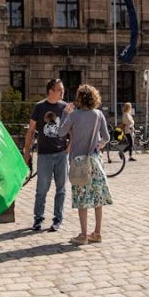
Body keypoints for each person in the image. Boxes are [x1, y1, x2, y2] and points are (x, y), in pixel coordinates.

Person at [60, 84, 113, 245]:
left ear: (80, 98)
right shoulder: (98, 114)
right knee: (97, 197)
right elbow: (107, 137)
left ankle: (83, 235)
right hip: (95, 161)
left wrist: (64, 114)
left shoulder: (74, 115)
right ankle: (97, 233)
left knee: (82, 198)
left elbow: (61, 132)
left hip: (78, 161)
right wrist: (100, 145)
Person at [23, 79, 72, 233]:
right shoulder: (39, 107)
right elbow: (31, 130)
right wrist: (26, 152)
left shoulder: (65, 108)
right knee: (41, 189)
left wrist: (68, 148)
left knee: (61, 189)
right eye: (60, 90)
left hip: (61, 154)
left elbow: (73, 129)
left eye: (63, 89)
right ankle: (38, 219)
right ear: (51, 91)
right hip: (44, 154)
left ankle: (58, 219)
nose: (63, 92)